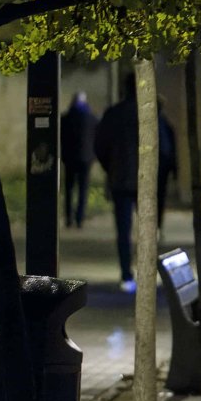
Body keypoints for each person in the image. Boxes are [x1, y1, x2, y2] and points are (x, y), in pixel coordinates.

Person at [94, 74, 140, 293]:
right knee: (148, 227)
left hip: (120, 178)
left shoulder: (114, 114)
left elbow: (100, 145)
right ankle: (145, 268)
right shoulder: (148, 115)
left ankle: (126, 272)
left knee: (123, 230)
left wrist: (110, 167)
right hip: (144, 181)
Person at [60, 92, 98, 229]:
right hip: (86, 158)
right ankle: (80, 218)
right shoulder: (92, 118)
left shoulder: (65, 118)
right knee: (83, 189)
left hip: (69, 158)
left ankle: (69, 218)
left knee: (69, 189)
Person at [157, 98, 178, 237]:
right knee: (159, 198)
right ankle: (157, 225)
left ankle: (156, 226)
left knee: (158, 197)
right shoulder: (165, 124)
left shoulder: (165, 125)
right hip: (163, 166)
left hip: (162, 166)